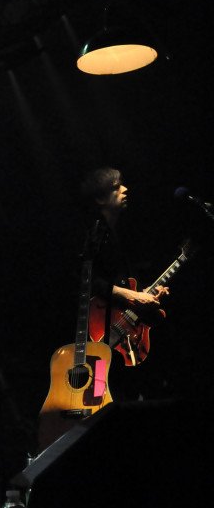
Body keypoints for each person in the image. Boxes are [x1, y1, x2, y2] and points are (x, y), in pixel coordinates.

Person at [80, 166, 169, 398]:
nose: (125, 189)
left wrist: (146, 293)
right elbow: (86, 279)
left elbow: (125, 280)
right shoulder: (93, 234)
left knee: (136, 390)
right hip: (100, 329)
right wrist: (130, 295)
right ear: (100, 199)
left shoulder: (120, 233)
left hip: (123, 329)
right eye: (116, 187)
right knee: (100, 392)